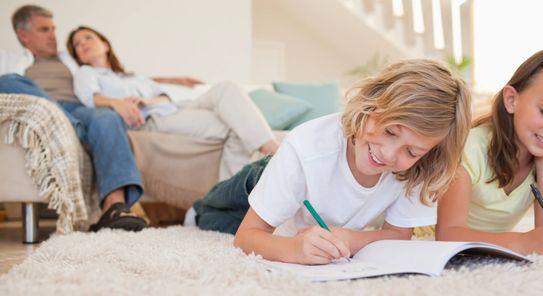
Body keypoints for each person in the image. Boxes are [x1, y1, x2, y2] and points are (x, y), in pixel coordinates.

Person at [187, 59, 472, 265]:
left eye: (411, 152)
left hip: (300, 213)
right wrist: (294, 250)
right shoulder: (306, 147)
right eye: (389, 131)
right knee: (214, 215)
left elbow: (399, 234)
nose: (389, 154)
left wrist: (350, 238)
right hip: (256, 181)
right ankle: (197, 210)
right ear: (370, 105)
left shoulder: (418, 168)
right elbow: (246, 237)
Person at [436, 49, 543, 259]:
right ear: (511, 100)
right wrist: (525, 241)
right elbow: (447, 234)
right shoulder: (468, 149)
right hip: (422, 237)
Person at [0, 5, 147, 231]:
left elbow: (117, 75)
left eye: (53, 29)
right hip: (46, 109)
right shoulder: (12, 61)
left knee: (106, 117)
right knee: (6, 80)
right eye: (44, 30)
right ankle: (72, 124)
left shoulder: (72, 59)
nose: (53, 36)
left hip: (80, 111)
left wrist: (173, 82)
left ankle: (115, 207)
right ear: (23, 35)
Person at [66, 26, 279, 180]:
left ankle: (270, 148)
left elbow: (163, 94)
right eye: (77, 44)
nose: (83, 44)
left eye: (87, 38)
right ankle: (269, 160)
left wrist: (148, 99)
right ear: (78, 56)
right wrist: (117, 103)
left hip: (173, 106)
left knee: (227, 88)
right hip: (155, 118)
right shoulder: (86, 73)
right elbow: (89, 98)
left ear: (105, 45)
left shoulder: (132, 77)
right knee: (234, 127)